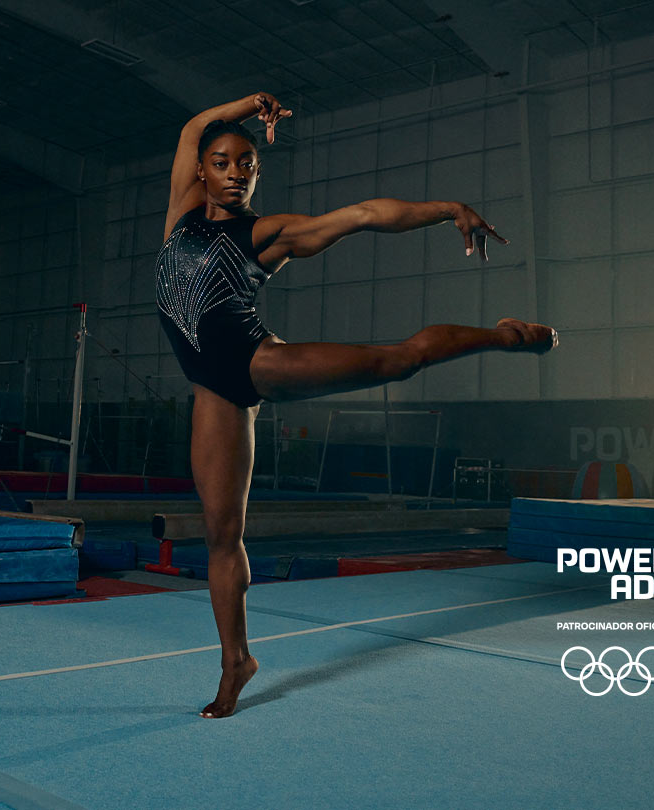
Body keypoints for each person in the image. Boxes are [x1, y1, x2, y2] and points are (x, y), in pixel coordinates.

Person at [157, 92, 556, 719]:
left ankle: (506, 336)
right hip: (212, 390)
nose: (235, 171)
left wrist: (448, 208)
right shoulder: (180, 212)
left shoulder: (266, 232)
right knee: (220, 534)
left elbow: (367, 214)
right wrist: (249, 102)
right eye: (223, 161)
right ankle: (237, 660)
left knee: (397, 358)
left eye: (247, 164)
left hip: (255, 363)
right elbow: (191, 125)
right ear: (202, 168)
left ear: (257, 173)